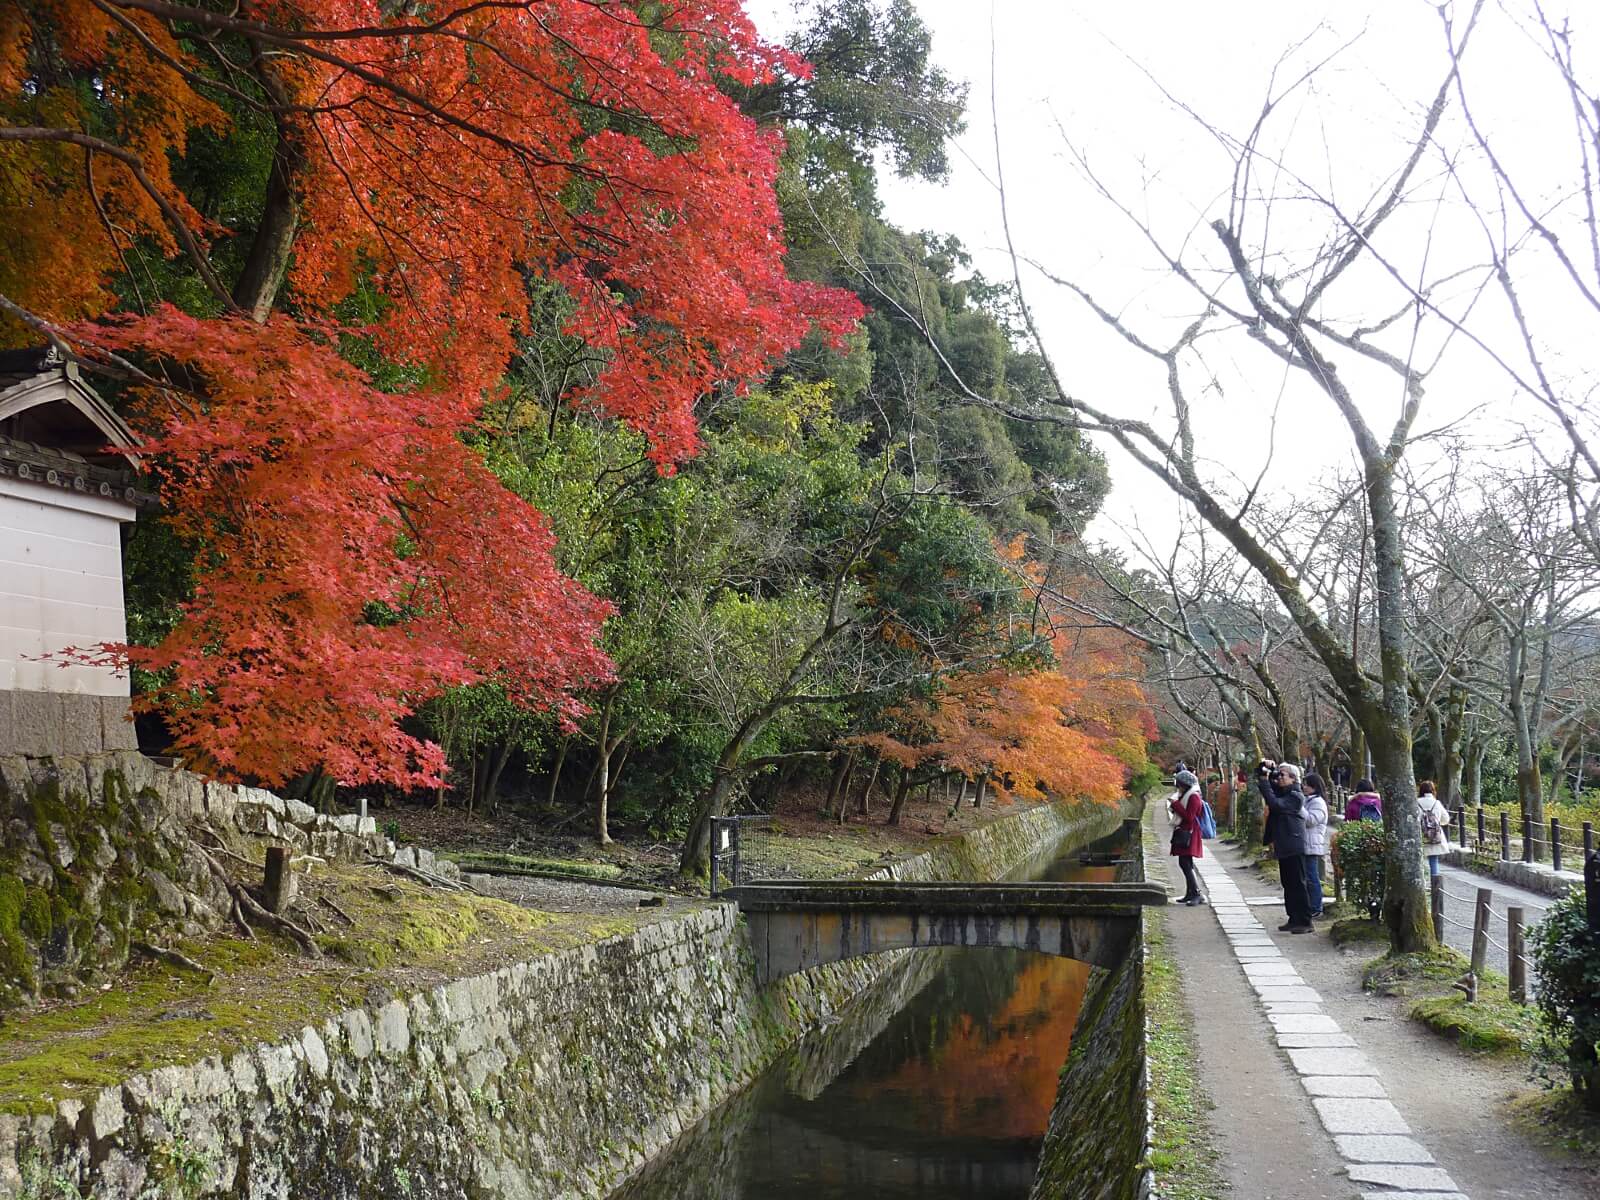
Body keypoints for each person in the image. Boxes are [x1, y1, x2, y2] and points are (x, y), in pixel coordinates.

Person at [1258, 760, 1314, 933]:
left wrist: (1267, 781)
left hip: (1294, 844)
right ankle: (1293, 918)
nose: (1279, 778)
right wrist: (1265, 768)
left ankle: (1305, 921)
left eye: (1282, 775)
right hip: (1284, 844)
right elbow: (1265, 787)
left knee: (1298, 883)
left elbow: (1274, 804)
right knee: (1288, 884)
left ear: (1293, 778)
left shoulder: (1295, 796)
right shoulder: (1284, 792)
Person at [1169, 769, 1207, 905]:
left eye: (1179, 784)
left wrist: (1175, 805)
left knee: (1185, 863)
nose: (1178, 787)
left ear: (1185, 784)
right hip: (1185, 832)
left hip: (1189, 833)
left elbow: (1190, 817)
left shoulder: (1193, 797)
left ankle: (1197, 894)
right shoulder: (1187, 795)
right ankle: (1190, 893)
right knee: (1185, 863)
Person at [1302, 771, 1330, 918]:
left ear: (1314, 786)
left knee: (1312, 877)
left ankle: (1316, 906)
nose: (1304, 787)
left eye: (1307, 785)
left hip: (1312, 844)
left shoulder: (1317, 802)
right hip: (1306, 843)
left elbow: (1311, 820)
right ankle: (1310, 905)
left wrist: (1299, 808)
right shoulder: (1308, 800)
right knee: (1307, 877)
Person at [1416, 780, 1450, 878]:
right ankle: (1436, 886)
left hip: (1420, 836)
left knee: (1419, 862)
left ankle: (1421, 884)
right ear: (1433, 790)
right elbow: (1446, 819)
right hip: (1435, 835)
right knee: (1434, 861)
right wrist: (1437, 823)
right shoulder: (1437, 803)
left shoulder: (1416, 803)